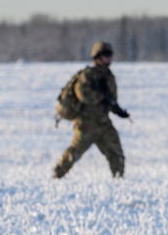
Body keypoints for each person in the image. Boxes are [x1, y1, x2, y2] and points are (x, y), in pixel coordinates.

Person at [53, 41, 130, 179]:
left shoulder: (108, 76)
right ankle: (57, 176)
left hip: (103, 122)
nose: (109, 58)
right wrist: (100, 96)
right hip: (86, 123)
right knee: (74, 153)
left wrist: (118, 111)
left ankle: (119, 181)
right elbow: (83, 95)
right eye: (106, 55)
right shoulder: (88, 75)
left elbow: (112, 99)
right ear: (97, 56)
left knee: (116, 154)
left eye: (110, 55)